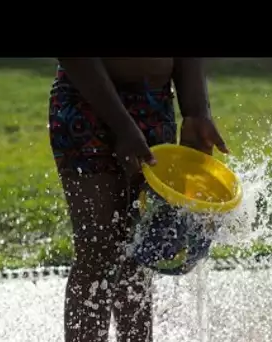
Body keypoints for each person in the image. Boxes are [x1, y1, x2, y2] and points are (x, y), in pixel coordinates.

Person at [48, 58, 229, 342]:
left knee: (140, 252)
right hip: (89, 101)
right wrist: (121, 124)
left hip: (154, 105)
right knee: (99, 251)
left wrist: (196, 110)